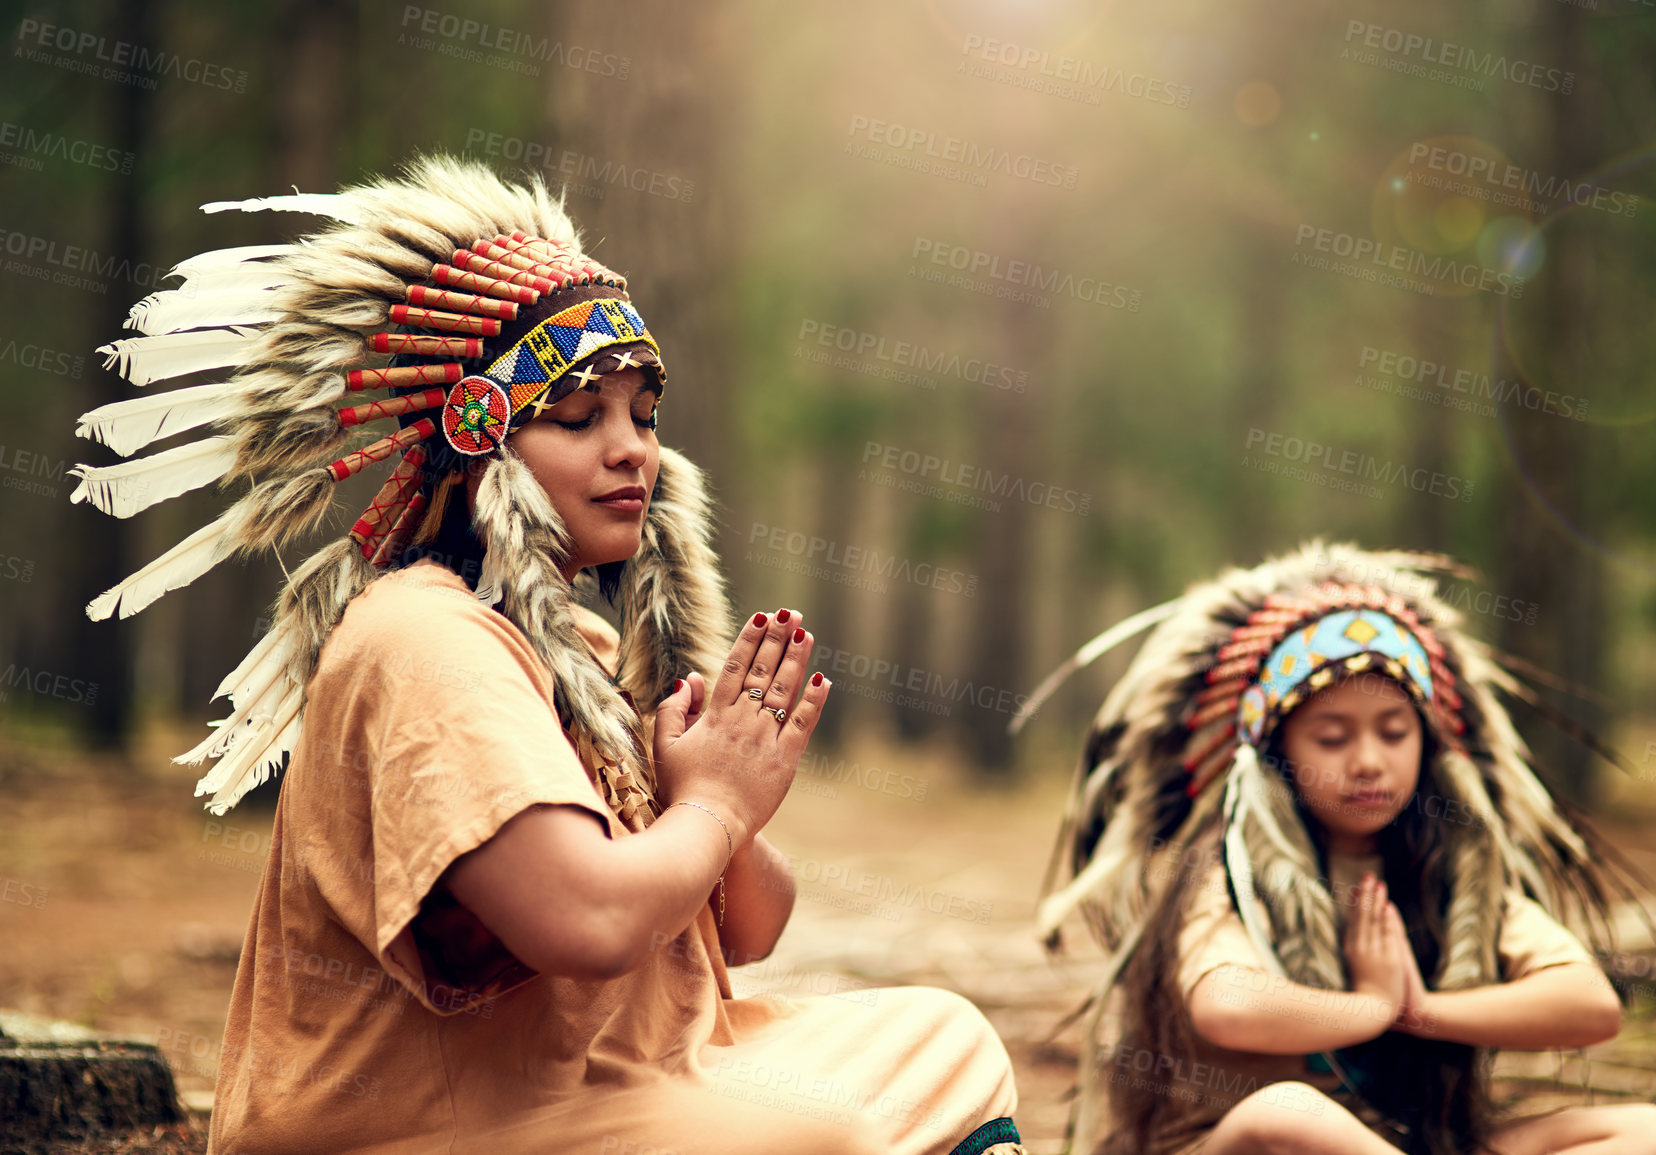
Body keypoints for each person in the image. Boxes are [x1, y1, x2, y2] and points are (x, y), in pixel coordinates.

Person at [73, 157, 1025, 1155]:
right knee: (815, 1138)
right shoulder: (423, 641)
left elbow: (751, 930)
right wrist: (714, 806)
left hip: (610, 1088)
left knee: (945, 1041)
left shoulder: (582, 645)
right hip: (421, 1127)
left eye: (643, 416)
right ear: (477, 440)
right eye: (579, 418)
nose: (633, 452)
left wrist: (719, 794)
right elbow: (590, 923)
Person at [1024, 543, 1656, 1155]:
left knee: (1646, 1129)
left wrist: (1420, 1011)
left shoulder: (1451, 869)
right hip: (1237, 1144)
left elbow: (1589, 1005)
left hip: (1404, 1143)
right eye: (1332, 738)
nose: (1368, 761)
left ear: (1424, 744)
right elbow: (1225, 1005)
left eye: (1393, 732)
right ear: (1278, 753)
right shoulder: (1221, 868)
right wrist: (1370, 1004)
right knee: (1288, 1111)